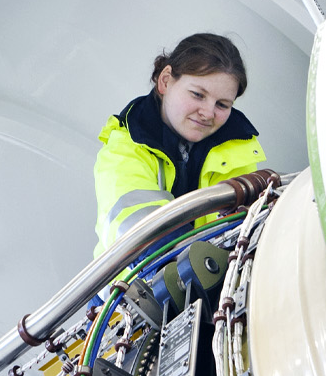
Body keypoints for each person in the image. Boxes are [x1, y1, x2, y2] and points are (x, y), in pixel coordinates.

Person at [93, 33, 266, 255]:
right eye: (197, 94)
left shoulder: (239, 149)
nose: (207, 113)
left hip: (218, 287)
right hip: (134, 285)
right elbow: (138, 226)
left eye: (222, 105)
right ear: (165, 81)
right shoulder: (125, 148)